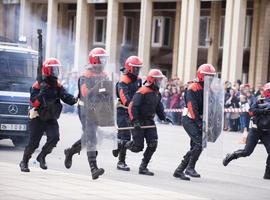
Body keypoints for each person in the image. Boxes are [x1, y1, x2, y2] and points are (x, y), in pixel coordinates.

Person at [19, 58, 77, 172]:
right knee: (33, 143)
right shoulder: (37, 85)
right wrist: (41, 93)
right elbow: (34, 102)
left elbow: (65, 96)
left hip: (50, 117)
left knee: (54, 137)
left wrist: (75, 99)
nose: (56, 71)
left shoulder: (57, 85)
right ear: (47, 70)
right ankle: (24, 161)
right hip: (38, 117)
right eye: (53, 69)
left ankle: (42, 156)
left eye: (56, 69)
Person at [64, 47, 110, 180]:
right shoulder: (86, 76)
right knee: (91, 137)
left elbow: (106, 93)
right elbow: (85, 93)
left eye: (104, 59)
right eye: (101, 59)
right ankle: (93, 168)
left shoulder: (104, 75)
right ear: (95, 60)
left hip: (97, 110)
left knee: (88, 137)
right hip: (85, 110)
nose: (103, 61)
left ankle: (71, 151)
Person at [173, 64, 216, 181]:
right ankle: (180, 170)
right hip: (190, 119)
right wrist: (199, 122)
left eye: (212, 77)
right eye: (209, 76)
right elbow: (192, 107)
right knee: (198, 144)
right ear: (202, 76)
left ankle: (190, 168)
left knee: (196, 145)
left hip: (199, 120)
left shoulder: (208, 89)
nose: (211, 79)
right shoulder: (193, 87)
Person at [126, 69, 171, 176]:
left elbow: (159, 107)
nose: (160, 82)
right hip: (139, 121)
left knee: (153, 144)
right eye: (158, 80)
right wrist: (135, 121)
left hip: (149, 121)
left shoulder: (157, 93)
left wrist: (163, 117)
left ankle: (143, 167)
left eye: (161, 80)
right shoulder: (142, 91)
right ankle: (123, 145)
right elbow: (132, 107)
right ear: (152, 80)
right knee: (138, 147)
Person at [223, 82, 270, 180]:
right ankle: (231, 156)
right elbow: (251, 111)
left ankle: (268, 174)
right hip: (256, 129)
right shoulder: (259, 100)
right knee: (247, 152)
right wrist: (264, 110)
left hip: (267, 131)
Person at [112, 56, 143, 171]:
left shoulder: (139, 80)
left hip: (132, 110)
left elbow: (140, 95)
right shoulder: (123, 81)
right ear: (130, 68)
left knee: (131, 137)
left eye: (138, 68)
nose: (137, 71)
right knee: (125, 136)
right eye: (135, 68)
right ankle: (121, 162)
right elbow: (125, 99)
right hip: (122, 110)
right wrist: (134, 106)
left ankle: (116, 144)